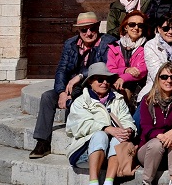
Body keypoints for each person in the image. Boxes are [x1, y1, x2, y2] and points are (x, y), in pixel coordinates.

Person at [30, 12, 116, 159]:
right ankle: (42, 142)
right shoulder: (70, 44)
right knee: (47, 97)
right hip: (70, 87)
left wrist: (80, 76)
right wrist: (62, 92)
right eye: (84, 30)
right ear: (78, 31)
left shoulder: (107, 42)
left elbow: (104, 67)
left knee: (77, 99)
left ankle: (77, 142)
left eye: (92, 29)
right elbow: (61, 70)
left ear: (97, 27)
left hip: (93, 86)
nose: (88, 33)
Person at [65, 62, 136, 185]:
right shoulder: (80, 102)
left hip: (111, 154)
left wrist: (128, 130)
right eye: (100, 79)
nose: (104, 83)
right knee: (100, 135)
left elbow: (127, 119)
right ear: (90, 81)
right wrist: (106, 128)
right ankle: (93, 184)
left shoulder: (118, 99)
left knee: (119, 137)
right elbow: (77, 126)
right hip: (84, 153)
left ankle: (109, 184)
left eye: (107, 80)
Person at [106, 11, 149, 106]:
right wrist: (126, 70)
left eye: (140, 25)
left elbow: (142, 70)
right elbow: (110, 69)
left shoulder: (147, 46)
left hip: (138, 84)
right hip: (115, 82)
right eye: (132, 25)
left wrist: (123, 78)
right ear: (126, 27)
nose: (136, 28)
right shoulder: (114, 47)